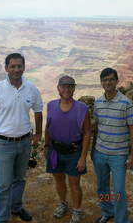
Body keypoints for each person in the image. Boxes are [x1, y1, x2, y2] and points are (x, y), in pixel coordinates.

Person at [0, 53, 43, 223]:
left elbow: (38, 111)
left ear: (24, 67)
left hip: (25, 142)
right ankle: (2, 218)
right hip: (4, 143)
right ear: (6, 68)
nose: (16, 69)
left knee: (20, 178)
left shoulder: (32, 88)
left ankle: (16, 207)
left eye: (19, 66)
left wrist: (38, 134)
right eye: (13, 66)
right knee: (3, 184)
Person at [92, 68, 133, 223]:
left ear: (117, 81)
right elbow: (98, 126)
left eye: (111, 79)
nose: (108, 82)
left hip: (119, 154)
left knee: (118, 191)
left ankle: (122, 220)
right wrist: (93, 152)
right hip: (100, 152)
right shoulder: (98, 103)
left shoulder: (126, 102)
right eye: (104, 80)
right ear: (101, 82)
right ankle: (107, 212)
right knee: (102, 187)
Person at [44, 75, 91, 223]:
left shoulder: (82, 108)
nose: (67, 89)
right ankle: (63, 203)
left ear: (74, 88)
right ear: (58, 88)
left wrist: (83, 157)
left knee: (74, 184)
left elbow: (87, 132)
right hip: (55, 150)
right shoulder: (51, 105)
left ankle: (77, 210)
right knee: (59, 181)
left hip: (74, 152)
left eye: (70, 86)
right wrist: (46, 146)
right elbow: (48, 127)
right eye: (64, 86)